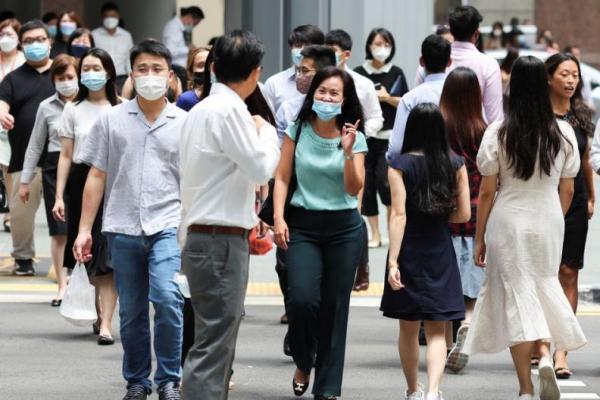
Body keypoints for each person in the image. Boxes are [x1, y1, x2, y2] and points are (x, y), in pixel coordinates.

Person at [464, 56, 587, 400]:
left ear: (513, 87)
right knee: (543, 290)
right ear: (544, 85)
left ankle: (525, 386)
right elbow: (569, 188)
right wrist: (555, 219)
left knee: (517, 298)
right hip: (548, 218)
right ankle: (546, 353)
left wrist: (480, 238)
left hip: (509, 219)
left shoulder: (499, 131)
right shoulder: (563, 132)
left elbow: (487, 190)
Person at [72, 39, 186, 400]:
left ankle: (169, 378)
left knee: (168, 299)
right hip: (122, 226)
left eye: (157, 69)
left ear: (170, 76)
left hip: (168, 224)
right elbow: (96, 175)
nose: (150, 75)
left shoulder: (185, 122)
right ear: (132, 75)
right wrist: (84, 230)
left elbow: (195, 178)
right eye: (142, 69)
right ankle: (138, 380)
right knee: (133, 311)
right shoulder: (112, 119)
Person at [180, 30, 279, 400]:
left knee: (214, 340)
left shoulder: (202, 109)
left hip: (205, 233)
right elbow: (259, 169)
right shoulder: (230, 110)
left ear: (215, 67)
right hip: (220, 238)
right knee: (215, 343)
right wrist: (266, 132)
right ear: (255, 73)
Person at [273, 66, 366, 400]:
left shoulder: (354, 135)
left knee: (334, 307)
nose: (327, 98)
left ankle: (327, 388)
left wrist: (347, 151)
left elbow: (355, 189)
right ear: (312, 95)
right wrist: (279, 217)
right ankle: (303, 359)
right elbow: (282, 177)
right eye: (322, 91)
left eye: (334, 93)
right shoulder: (297, 129)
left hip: (343, 228)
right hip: (303, 225)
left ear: (344, 100)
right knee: (301, 300)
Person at [382, 102, 469, 400]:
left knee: (408, 328)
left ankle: (412, 390)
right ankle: (433, 392)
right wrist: (442, 218)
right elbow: (464, 214)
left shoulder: (398, 164)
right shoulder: (456, 164)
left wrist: (393, 260)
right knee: (437, 329)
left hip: (408, 249)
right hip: (440, 249)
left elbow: (399, 214)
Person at [272, 44, 336, 355]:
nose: (299, 76)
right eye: (298, 70)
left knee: (326, 285)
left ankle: (315, 338)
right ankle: (298, 326)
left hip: (333, 210)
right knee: (287, 270)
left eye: (305, 71)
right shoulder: (290, 109)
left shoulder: (345, 109)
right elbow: (280, 168)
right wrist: (277, 214)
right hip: (295, 202)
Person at [53, 48, 118, 346]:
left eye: (96, 67)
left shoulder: (122, 107)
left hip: (115, 183)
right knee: (87, 253)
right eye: (86, 69)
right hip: (81, 183)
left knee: (106, 254)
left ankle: (106, 323)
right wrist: (59, 196)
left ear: (108, 72)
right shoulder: (73, 109)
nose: (90, 73)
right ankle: (98, 313)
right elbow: (66, 155)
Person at [546, 53, 595, 380]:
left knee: (568, 272)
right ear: (549, 78)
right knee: (541, 274)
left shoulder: (582, 116)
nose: (571, 80)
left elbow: (587, 158)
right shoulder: (537, 116)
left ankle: (561, 351)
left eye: (575, 75)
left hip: (575, 199)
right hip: (542, 198)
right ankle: (539, 344)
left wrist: (591, 195)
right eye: (564, 74)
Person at [437, 67, 487, 373]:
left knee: (444, 285)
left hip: (444, 212)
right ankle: (467, 324)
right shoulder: (482, 129)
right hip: (476, 211)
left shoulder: (437, 125)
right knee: (471, 281)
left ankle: (443, 346)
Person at [19, 54, 77, 306]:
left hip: (87, 166)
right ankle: (62, 285)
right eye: (60, 78)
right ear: (53, 80)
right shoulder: (46, 106)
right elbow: (34, 146)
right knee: (60, 232)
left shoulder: (91, 102)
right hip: (54, 169)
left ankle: (86, 283)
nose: (65, 82)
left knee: (85, 230)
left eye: (70, 77)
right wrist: (24, 180)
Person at [0, 20, 54, 276]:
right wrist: (3, 114)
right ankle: (23, 258)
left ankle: (67, 259)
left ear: (49, 41)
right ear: (22, 45)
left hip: (60, 158)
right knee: (20, 214)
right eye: (30, 41)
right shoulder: (12, 78)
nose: (36, 45)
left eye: (40, 39)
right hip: (23, 159)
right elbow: (2, 104)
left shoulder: (64, 73)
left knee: (65, 213)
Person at [354, 28, 408, 256]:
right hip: (365, 136)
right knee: (365, 186)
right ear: (369, 46)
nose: (381, 48)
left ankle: (388, 229)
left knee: (385, 183)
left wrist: (387, 98)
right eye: (377, 44)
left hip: (388, 137)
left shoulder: (396, 72)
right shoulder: (358, 73)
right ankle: (374, 233)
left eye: (386, 44)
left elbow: (405, 101)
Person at [415, 6, 503, 124]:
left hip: (436, 137)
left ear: (451, 31)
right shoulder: (489, 65)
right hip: (476, 139)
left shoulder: (430, 59)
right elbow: (494, 119)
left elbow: (418, 106)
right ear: (476, 34)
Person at [387, 34, 451, 161]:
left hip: (418, 171)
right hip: (455, 168)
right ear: (449, 62)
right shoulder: (461, 94)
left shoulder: (410, 99)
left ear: (421, 61)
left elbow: (395, 148)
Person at [264, 24, 325, 113]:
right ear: (291, 47)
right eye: (298, 45)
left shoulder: (330, 81)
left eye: (308, 46)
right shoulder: (274, 83)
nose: (302, 51)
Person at [0, 17, 25, 233]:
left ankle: (10, 213)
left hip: (13, 123)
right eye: (2, 34)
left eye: (9, 34)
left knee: (10, 171)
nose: (5, 39)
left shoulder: (24, 61)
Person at [92, 2, 134, 90]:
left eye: (113, 16)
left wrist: (131, 78)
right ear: (102, 17)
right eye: (107, 16)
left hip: (122, 79)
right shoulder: (94, 35)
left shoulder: (126, 36)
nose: (110, 19)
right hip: (101, 78)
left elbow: (129, 59)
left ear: (118, 16)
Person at [175, 46, 210, 111]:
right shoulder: (186, 99)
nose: (207, 69)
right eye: (201, 65)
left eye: (209, 64)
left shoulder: (226, 96)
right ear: (191, 73)